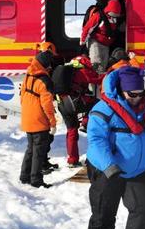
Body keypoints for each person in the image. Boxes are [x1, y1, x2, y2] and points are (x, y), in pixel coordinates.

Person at [86, 66, 145, 229]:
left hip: (138, 171)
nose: (136, 97)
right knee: (104, 214)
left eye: (139, 93)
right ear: (121, 90)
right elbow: (96, 139)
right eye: (131, 94)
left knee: (144, 211)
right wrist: (109, 166)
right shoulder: (104, 109)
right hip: (108, 170)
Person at [56, 54, 103, 167]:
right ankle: (85, 123)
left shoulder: (68, 68)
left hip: (62, 103)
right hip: (74, 103)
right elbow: (96, 80)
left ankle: (72, 160)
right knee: (97, 104)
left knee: (71, 131)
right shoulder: (82, 70)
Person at [19, 50, 57, 188]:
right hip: (39, 121)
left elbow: (22, 95)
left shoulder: (28, 75)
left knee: (30, 149)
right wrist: (52, 123)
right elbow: (47, 105)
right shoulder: (44, 80)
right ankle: (36, 180)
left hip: (28, 118)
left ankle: (24, 176)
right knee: (39, 152)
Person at [36, 41, 61, 173]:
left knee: (46, 139)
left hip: (41, 109)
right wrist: (52, 121)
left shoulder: (40, 70)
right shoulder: (41, 75)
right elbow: (46, 99)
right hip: (42, 111)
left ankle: (44, 162)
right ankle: (41, 165)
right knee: (44, 139)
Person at [80, 0, 123, 73]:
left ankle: (100, 82)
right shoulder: (99, 16)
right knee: (96, 64)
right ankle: (94, 82)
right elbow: (87, 28)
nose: (114, 16)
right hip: (96, 42)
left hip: (106, 44)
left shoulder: (115, 19)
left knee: (103, 65)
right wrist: (83, 41)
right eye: (113, 14)